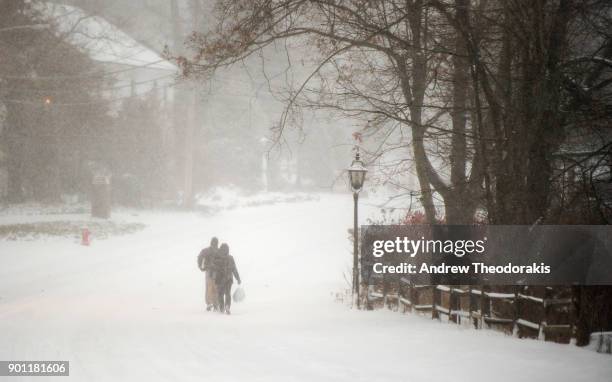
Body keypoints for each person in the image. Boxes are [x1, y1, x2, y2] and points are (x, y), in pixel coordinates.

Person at [213, 243, 241, 315]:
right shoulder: (230, 258)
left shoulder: (217, 258)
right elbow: (234, 269)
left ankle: (222, 307)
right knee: (227, 293)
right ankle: (227, 306)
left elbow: (213, 268)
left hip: (220, 279)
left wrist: (212, 275)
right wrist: (238, 278)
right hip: (229, 279)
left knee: (220, 294)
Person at [197, 237, 219, 311]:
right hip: (216, 272)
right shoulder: (218, 251)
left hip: (209, 271)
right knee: (215, 288)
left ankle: (210, 303)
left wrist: (201, 266)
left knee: (209, 287)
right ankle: (215, 303)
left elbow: (200, 257)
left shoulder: (206, 250)